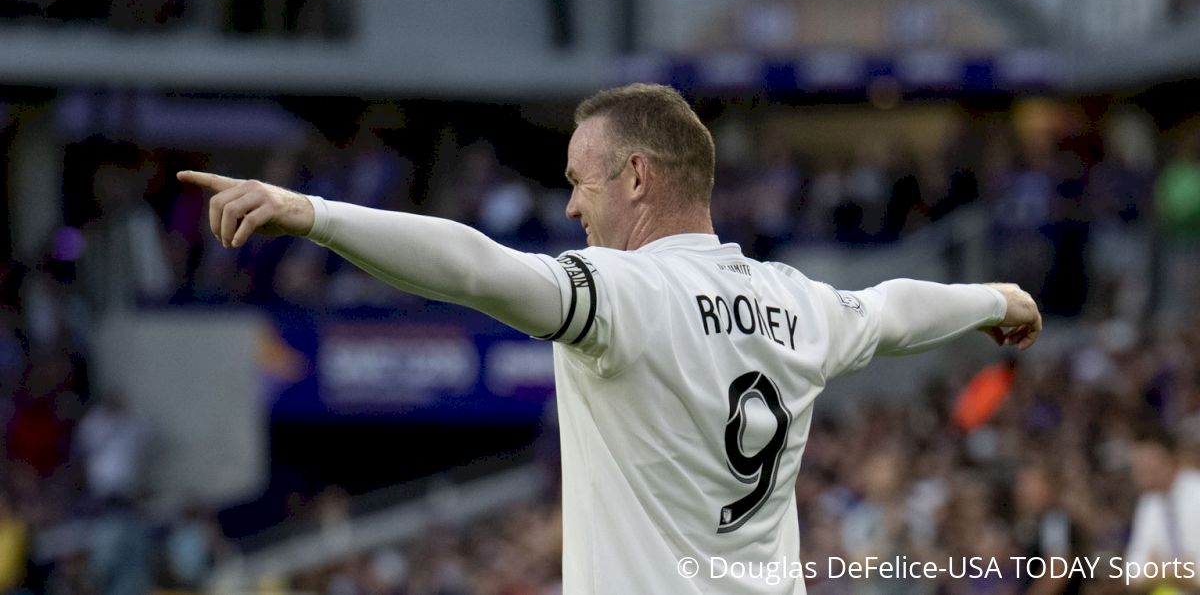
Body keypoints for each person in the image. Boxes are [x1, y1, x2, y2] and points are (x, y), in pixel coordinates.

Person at [178, 83, 1042, 594]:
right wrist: (994, 295)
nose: (569, 209)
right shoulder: (797, 303)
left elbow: (474, 268)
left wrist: (316, 215)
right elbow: (894, 311)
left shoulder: (621, 295)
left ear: (636, 176)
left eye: (578, 182)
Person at [1124, 423, 1200, 592]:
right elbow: (1131, 572)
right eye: (1136, 463)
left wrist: (1162, 569)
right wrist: (1175, 571)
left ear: (1168, 459)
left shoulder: (1197, 492)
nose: (1138, 469)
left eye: (1146, 461)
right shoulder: (1148, 503)